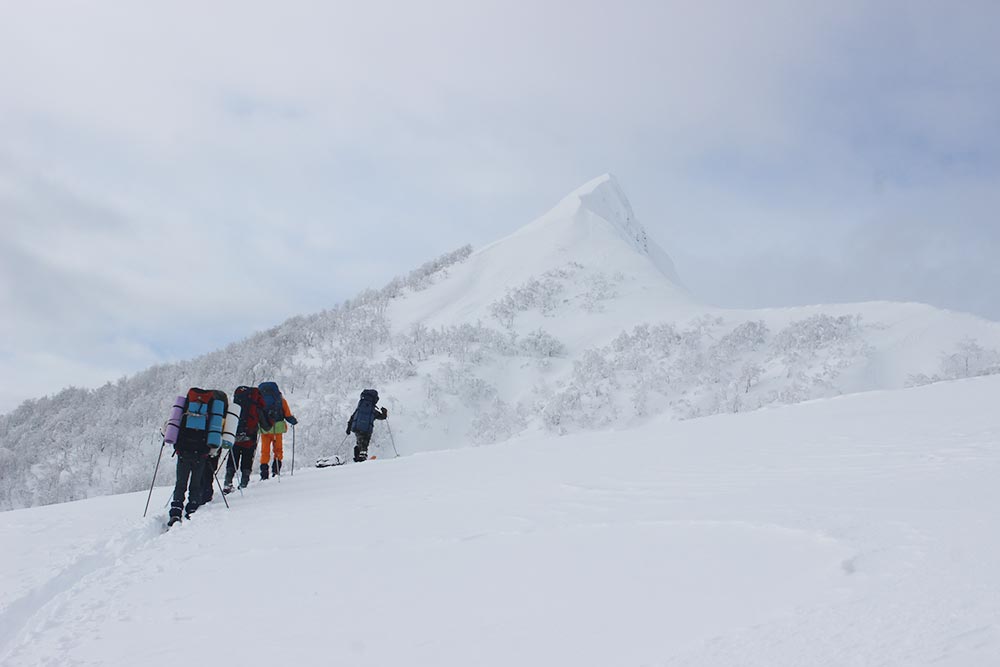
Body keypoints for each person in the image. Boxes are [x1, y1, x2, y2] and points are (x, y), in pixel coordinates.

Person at [169, 388, 228, 526]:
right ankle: (192, 509)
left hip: (183, 452)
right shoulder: (211, 412)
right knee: (195, 484)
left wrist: (177, 447)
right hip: (201, 453)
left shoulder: (186, 409)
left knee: (180, 483)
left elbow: (175, 427)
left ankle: (175, 512)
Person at [224, 385, 271, 493]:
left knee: (233, 458)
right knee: (247, 458)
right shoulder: (256, 407)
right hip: (250, 437)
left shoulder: (235, 406)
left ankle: (228, 482)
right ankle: (244, 483)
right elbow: (266, 426)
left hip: (235, 436)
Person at [258, 382, 298, 479]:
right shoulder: (281, 400)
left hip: (265, 429)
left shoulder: (260, 401)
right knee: (278, 449)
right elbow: (287, 415)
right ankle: (276, 471)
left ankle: (264, 473)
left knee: (264, 451)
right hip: (277, 428)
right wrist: (293, 421)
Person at [346, 389, 388, 462]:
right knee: (365, 443)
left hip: (357, 428)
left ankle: (357, 457)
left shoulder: (360, 408)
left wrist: (348, 428)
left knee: (360, 442)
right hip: (367, 430)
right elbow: (382, 417)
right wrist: (384, 412)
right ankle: (361, 458)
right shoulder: (372, 410)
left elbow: (352, 417)